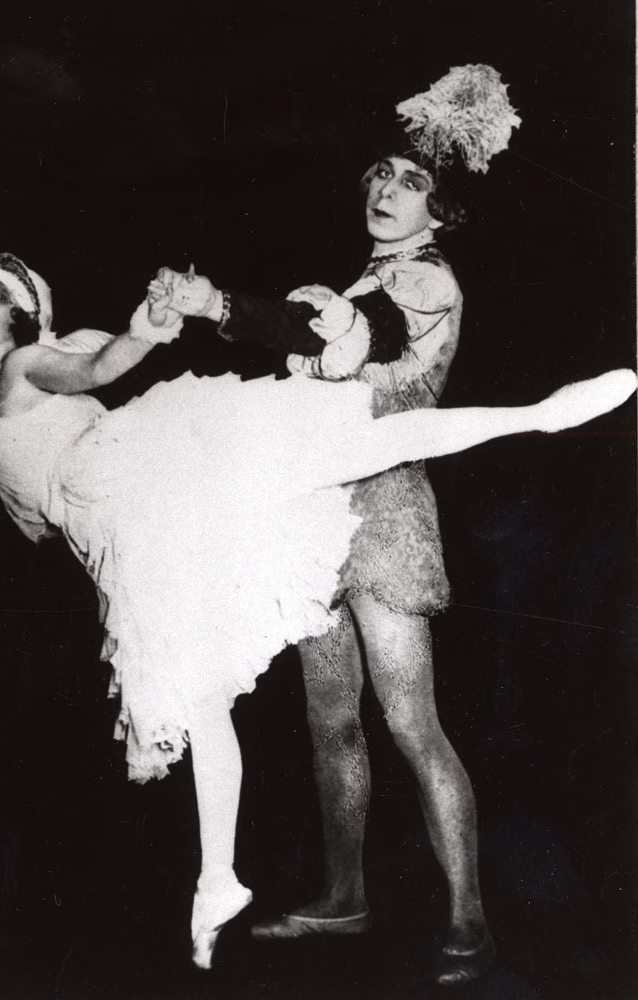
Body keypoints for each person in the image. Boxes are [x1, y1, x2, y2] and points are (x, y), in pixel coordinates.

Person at [0, 250, 635, 973]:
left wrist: (144, 332)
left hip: (132, 474)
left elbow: (97, 368)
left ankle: (539, 415)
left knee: (334, 454)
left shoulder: (25, 366)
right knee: (199, 689)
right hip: (121, 530)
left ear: (24, 318)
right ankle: (217, 881)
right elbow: (40, 510)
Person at [153, 64, 534, 985]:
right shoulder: (368, 276)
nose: (387, 190)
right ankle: (344, 896)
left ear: (440, 210)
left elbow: (342, 338)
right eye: (381, 175)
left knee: (409, 722)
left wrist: (217, 305)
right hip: (318, 509)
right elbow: (318, 338)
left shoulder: (425, 277)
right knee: (330, 722)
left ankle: (470, 921)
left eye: (411, 181)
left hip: (387, 514)